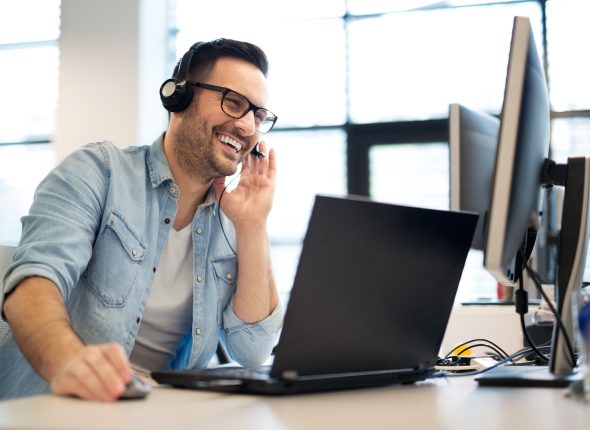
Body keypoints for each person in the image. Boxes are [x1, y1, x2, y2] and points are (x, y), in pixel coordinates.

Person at [0, 38, 282, 401]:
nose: (247, 126)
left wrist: (253, 224)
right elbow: (33, 284)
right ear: (178, 98)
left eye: (258, 116)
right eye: (234, 102)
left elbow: (253, 350)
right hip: (57, 405)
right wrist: (67, 361)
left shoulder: (234, 221)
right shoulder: (99, 172)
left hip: (160, 413)